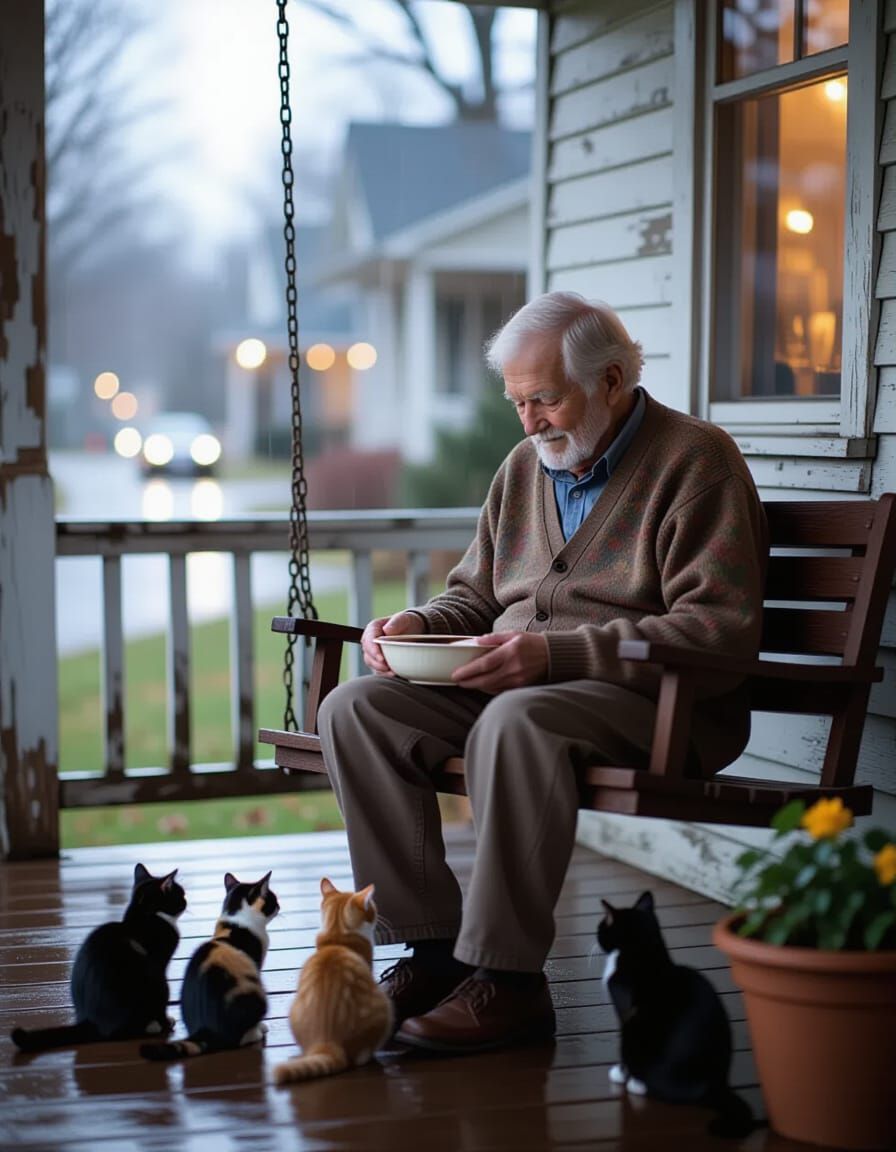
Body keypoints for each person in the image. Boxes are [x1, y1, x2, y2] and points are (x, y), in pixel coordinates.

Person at [317, 291, 766, 1055]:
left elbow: (719, 631)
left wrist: (553, 654)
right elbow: (477, 594)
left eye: (545, 400)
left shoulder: (696, 461)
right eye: (517, 402)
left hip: (652, 705)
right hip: (518, 689)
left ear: (613, 379)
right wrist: (418, 625)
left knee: (516, 721)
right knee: (357, 710)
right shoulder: (525, 466)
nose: (528, 424)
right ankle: (430, 953)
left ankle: (509, 982)